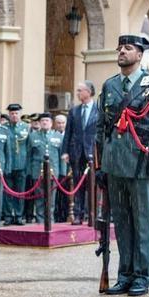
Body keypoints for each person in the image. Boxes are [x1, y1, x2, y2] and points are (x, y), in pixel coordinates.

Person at [96, 35, 149, 297]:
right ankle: (125, 274)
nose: (121, 51)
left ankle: (142, 276)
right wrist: (100, 164)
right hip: (114, 164)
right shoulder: (109, 86)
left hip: (141, 163)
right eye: (119, 47)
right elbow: (101, 128)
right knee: (121, 222)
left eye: (127, 48)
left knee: (142, 223)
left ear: (140, 55)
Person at [61, 81, 99, 225]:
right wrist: (65, 151)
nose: (77, 93)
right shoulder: (74, 111)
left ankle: (93, 214)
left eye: (79, 90)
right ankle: (78, 215)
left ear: (88, 92)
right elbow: (68, 133)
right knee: (78, 184)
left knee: (93, 185)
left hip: (93, 153)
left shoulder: (98, 110)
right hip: (76, 153)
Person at [25, 113, 63, 223]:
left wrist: (62, 172)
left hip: (53, 172)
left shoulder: (58, 136)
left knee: (51, 198)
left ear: (51, 123)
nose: (45, 123)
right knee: (39, 197)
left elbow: (61, 156)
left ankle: (50, 219)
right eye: (43, 121)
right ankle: (40, 219)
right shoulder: (33, 136)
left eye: (47, 121)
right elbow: (29, 155)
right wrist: (29, 171)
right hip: (37, 171)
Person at [4, 104, 30, 225]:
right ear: (9, 115)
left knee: (20, 192)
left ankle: (19, 215)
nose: (14, 115)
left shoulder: (27, 128)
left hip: (22, 164)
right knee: (8, 192)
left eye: (16, 113)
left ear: (20, 114)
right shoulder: (3, 128)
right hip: (8, 165)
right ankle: (8, 216)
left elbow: (29, 148)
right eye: (12, 113)